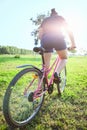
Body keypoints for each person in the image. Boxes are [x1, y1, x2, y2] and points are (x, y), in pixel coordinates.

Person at [38, 8, 76, 81]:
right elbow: (69, 30)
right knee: (64, 58)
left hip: (45, 39)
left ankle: (41, 87)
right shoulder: (60, 18)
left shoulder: (45, 20)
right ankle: (56, 73)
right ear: (56, 14)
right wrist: (73, 44)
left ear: (50, 15)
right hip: (58, 38)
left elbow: (40, 35)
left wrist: (43, 41)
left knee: (45, 66)